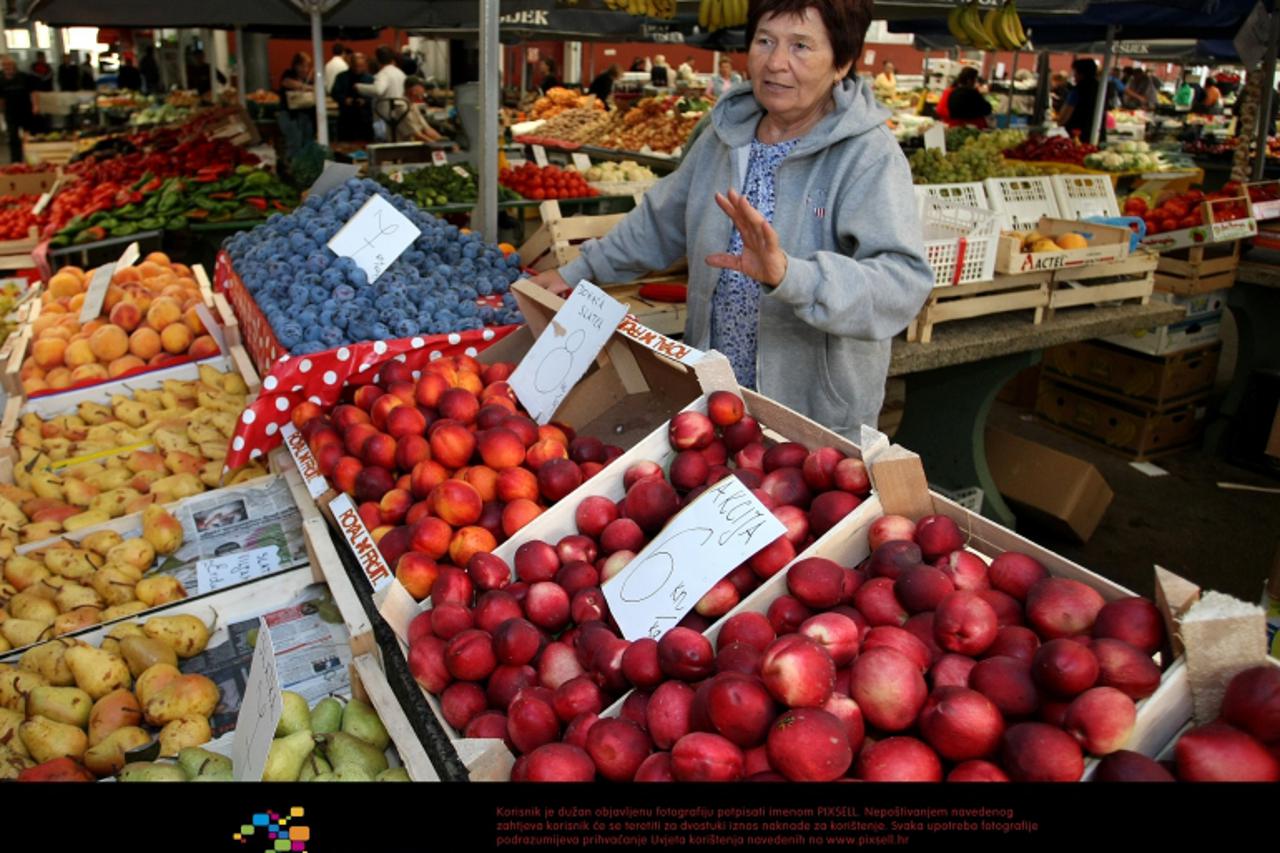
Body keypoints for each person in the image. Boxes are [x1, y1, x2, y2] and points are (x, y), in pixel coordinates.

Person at [532, 0, 932, 438]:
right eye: (765, 41)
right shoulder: (725, 137)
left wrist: (791, 276)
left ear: (842, 63)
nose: (776, 62)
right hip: (714, 398)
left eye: (800, 46)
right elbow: (659, 223)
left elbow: (901, 283)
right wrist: (579, 271)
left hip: (809, 421)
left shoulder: (867, 156)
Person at [1057, 58, 1105, 142]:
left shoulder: (1078, 89)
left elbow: (1065, 115)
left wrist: (1059, 123)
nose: (1074, 75)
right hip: (1097, 133)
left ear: (1081, 73)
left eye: (1074, 72)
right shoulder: (1101, 88)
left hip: (1077, 135)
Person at [0, 56, 36, 165]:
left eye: (9, 65)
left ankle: (32, 159)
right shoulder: (0, 79)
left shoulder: (24, 77)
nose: (7, 67)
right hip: (10, 112)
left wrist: (36, 105)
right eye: (5, 65)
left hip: (25, 110)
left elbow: (33, 93)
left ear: (14, 65)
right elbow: (1, 98)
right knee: (13, 137)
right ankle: (16, 161)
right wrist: (1, 111)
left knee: (29, 136)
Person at [279, 52, 316, 155]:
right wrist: (308, 88)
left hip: (306, 116)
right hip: (290, 116)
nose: (305, 69)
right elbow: (287, 82)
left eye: (307, 66)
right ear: (296, 65)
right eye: (302, 66)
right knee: (294, 143)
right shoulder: (288, 74)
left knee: (307, 143)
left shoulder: (308, 80)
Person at [333, 52, 373, 142]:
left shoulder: (370, 78)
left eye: (361, 66)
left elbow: (375, 96)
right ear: (351, 64)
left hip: (364, 119)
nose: (358, 68)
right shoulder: (341, 77)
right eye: (356, 65)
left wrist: (365, 101)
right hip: (346, 118)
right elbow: (335, 93)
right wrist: (344, 100)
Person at [397, 78, 446, 143]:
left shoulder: (412, 104)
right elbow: (417, 136)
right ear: (413, 90)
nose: (423, 91)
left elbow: (427, 129)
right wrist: (439, 146)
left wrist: (443, 141)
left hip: (417, 145)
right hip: (405, 148)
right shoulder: (401, 107)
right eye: (421, 87)